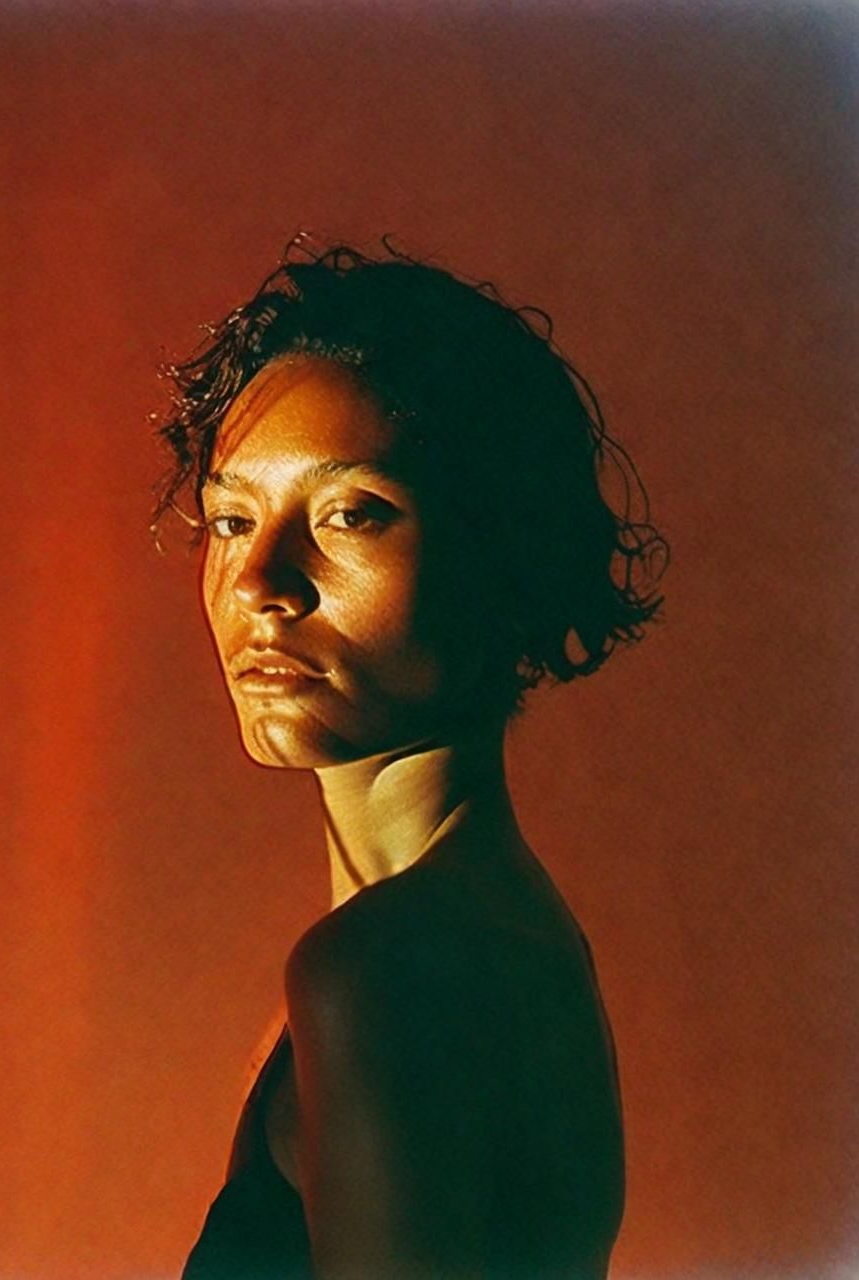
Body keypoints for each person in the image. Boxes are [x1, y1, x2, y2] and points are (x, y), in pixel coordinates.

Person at [150, 236, 668, 1280]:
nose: (260, 582)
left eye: (353, 513)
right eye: (231, 518)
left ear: (503, 555)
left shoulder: (387, 973)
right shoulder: (502, 931)